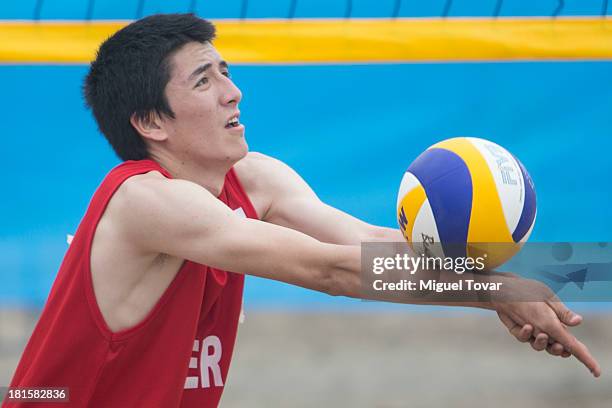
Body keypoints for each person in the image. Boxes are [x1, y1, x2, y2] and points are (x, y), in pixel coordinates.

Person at [5, 13, 600, 408]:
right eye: (203, 82)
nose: (232, 93)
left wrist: (546, 277)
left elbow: (367, 243)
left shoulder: (254, 178)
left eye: (227, 74)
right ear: (151, 122)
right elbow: (331, 271)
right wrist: (492, 290)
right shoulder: (145, 201)